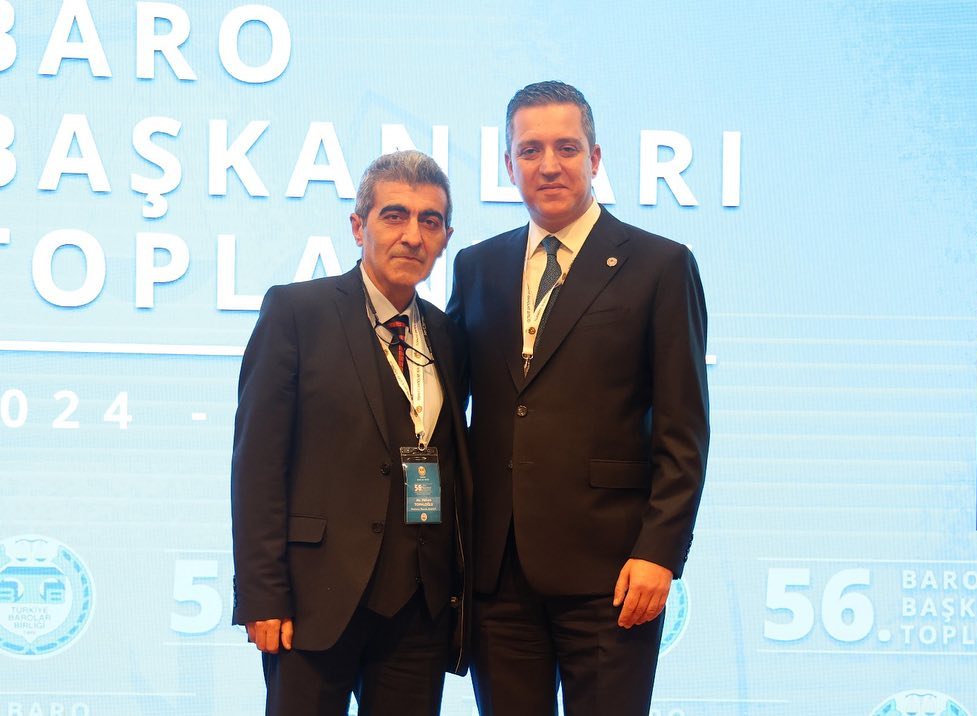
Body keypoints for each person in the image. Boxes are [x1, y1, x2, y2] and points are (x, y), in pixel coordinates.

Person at [447, 81, 709, 715]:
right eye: (530, 150)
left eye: (566, 148)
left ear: (595, 158)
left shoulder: (660, 266)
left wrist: (659, 554)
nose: (549, 165)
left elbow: (684, 431)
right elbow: (447, 405)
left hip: (613, 575)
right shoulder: (477, 266)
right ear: (508, 164)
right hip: (498, 576)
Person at [231, 149, 472, 716]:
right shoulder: (297, 312)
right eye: (395, 215)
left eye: (430, 221)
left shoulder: (448, 335)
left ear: (445, 238)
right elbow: (258, 465)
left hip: (419, 606)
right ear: (359, 226)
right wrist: (263, 594)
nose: (412, 235)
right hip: (313, 600)